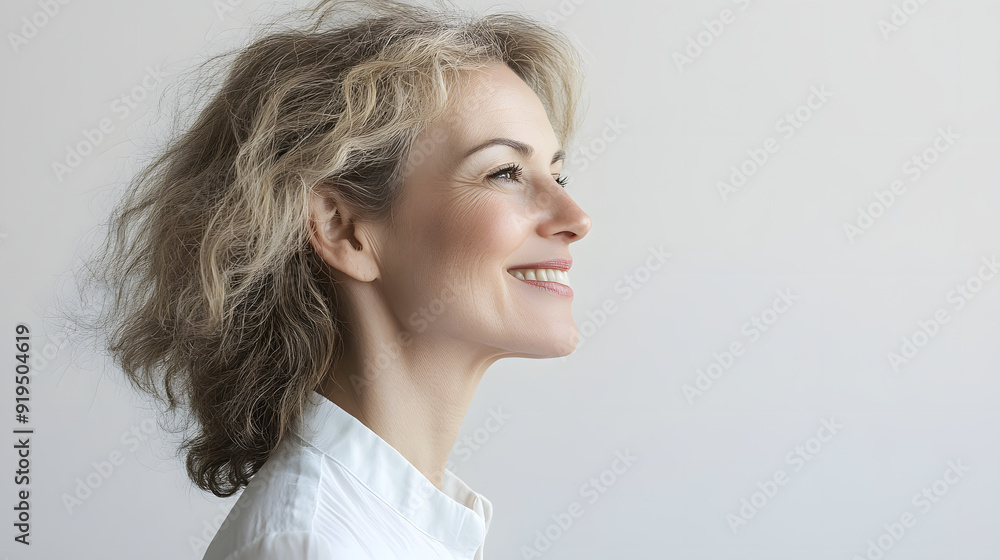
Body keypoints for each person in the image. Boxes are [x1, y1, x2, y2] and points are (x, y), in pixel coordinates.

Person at [84, 0, 591, 557]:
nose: (576, 218)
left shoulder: (379, 526)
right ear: (343, 229)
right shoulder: (308, 545)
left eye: (558, 175)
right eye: (505, 172)